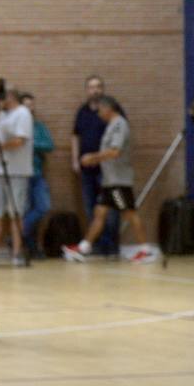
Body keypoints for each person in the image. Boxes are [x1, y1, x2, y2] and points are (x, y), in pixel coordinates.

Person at [63, 95, 157, 264]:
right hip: (109, 182)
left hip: (119, 182)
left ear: (108, 109)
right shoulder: (111, 126)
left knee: (129, 213)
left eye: (100, 110)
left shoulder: (120, 125)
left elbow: (115, 152)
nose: (98, 114)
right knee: (99, 213)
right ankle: (84, 248)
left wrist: (93, 158)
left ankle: (146, 250)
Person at [72, 75, 122, 256]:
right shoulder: (82, 111)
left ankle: (112, 246)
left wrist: (99, 157)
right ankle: (98, 244)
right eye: (92, 87)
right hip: (87, 169)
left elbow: (119, 140)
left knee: (111, 209)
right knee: (90, 207)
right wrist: (75, 159)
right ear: (87, 90)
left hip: (107, 168)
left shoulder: (113, 112)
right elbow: (75, 135)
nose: (96, 90)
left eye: (99, 86)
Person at [0, 87, 32, 266]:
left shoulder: (23, 113)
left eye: (2, 98)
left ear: (11, 97)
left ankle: (16, 254)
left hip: (17, 172)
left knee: (16, 214)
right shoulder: (1, 115)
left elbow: (20, 140)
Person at [19, 92, 54, 258]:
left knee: (43, 207)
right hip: (20, 174)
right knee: (23, 210)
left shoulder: (39, 127)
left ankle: (19, 232)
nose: (29, 108)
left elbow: (49, 145)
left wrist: (31, 144)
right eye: (26, 105)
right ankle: (30, 247)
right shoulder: (15, 126)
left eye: (31, 105)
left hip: (37, 173)